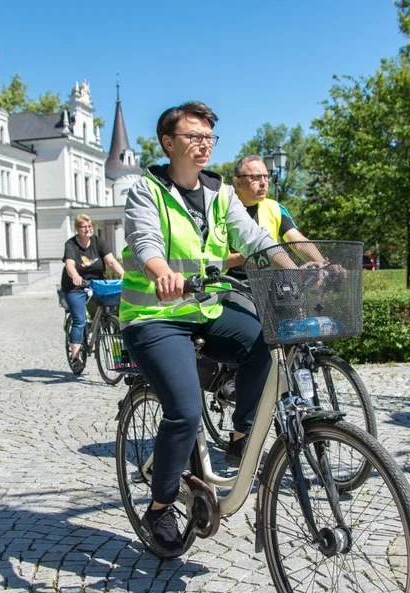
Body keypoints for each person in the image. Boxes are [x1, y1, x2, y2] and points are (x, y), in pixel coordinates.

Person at [120, 101, 283, 557]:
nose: (204, 143)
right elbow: (145, 240)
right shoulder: (146, 191)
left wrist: (296, 267)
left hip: (203, 311)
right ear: (168, 143)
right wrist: (160, 272)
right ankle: (159, 506)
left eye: (209, 136)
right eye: (193, 136)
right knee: (185, 412)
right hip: (154, 316)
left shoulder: (220, 193)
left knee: (263, 342)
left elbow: (256, 239)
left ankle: (238, 436)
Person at [61, 214, 126, 371]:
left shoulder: (98, 242)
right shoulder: (71, 245)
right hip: (75, 287)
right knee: (79, 320)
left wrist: (123, 275)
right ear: (77, 229)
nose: (87, 229)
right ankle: (76, 357)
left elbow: (111, 261)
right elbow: (70, 265)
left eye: (89, 226)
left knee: (111, 312)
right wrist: (75, 276)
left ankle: (105, 326)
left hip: (97, 284)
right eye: (83, 227)